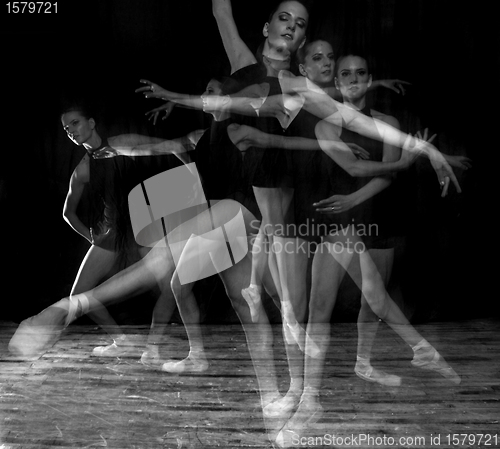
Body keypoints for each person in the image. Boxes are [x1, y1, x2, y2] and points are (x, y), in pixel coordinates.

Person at [60, 105, 175, 359]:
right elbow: (67, 213)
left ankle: (153, 347)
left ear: (91, 123)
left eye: (75, 123)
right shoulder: (83, 169)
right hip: (112, 233)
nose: (71, 131)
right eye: (67, 129)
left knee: (172, 288)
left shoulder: (122, 144)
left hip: (146, 227)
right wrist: (92, 237)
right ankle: (121, 340)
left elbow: (166, 146)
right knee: (78, 297)